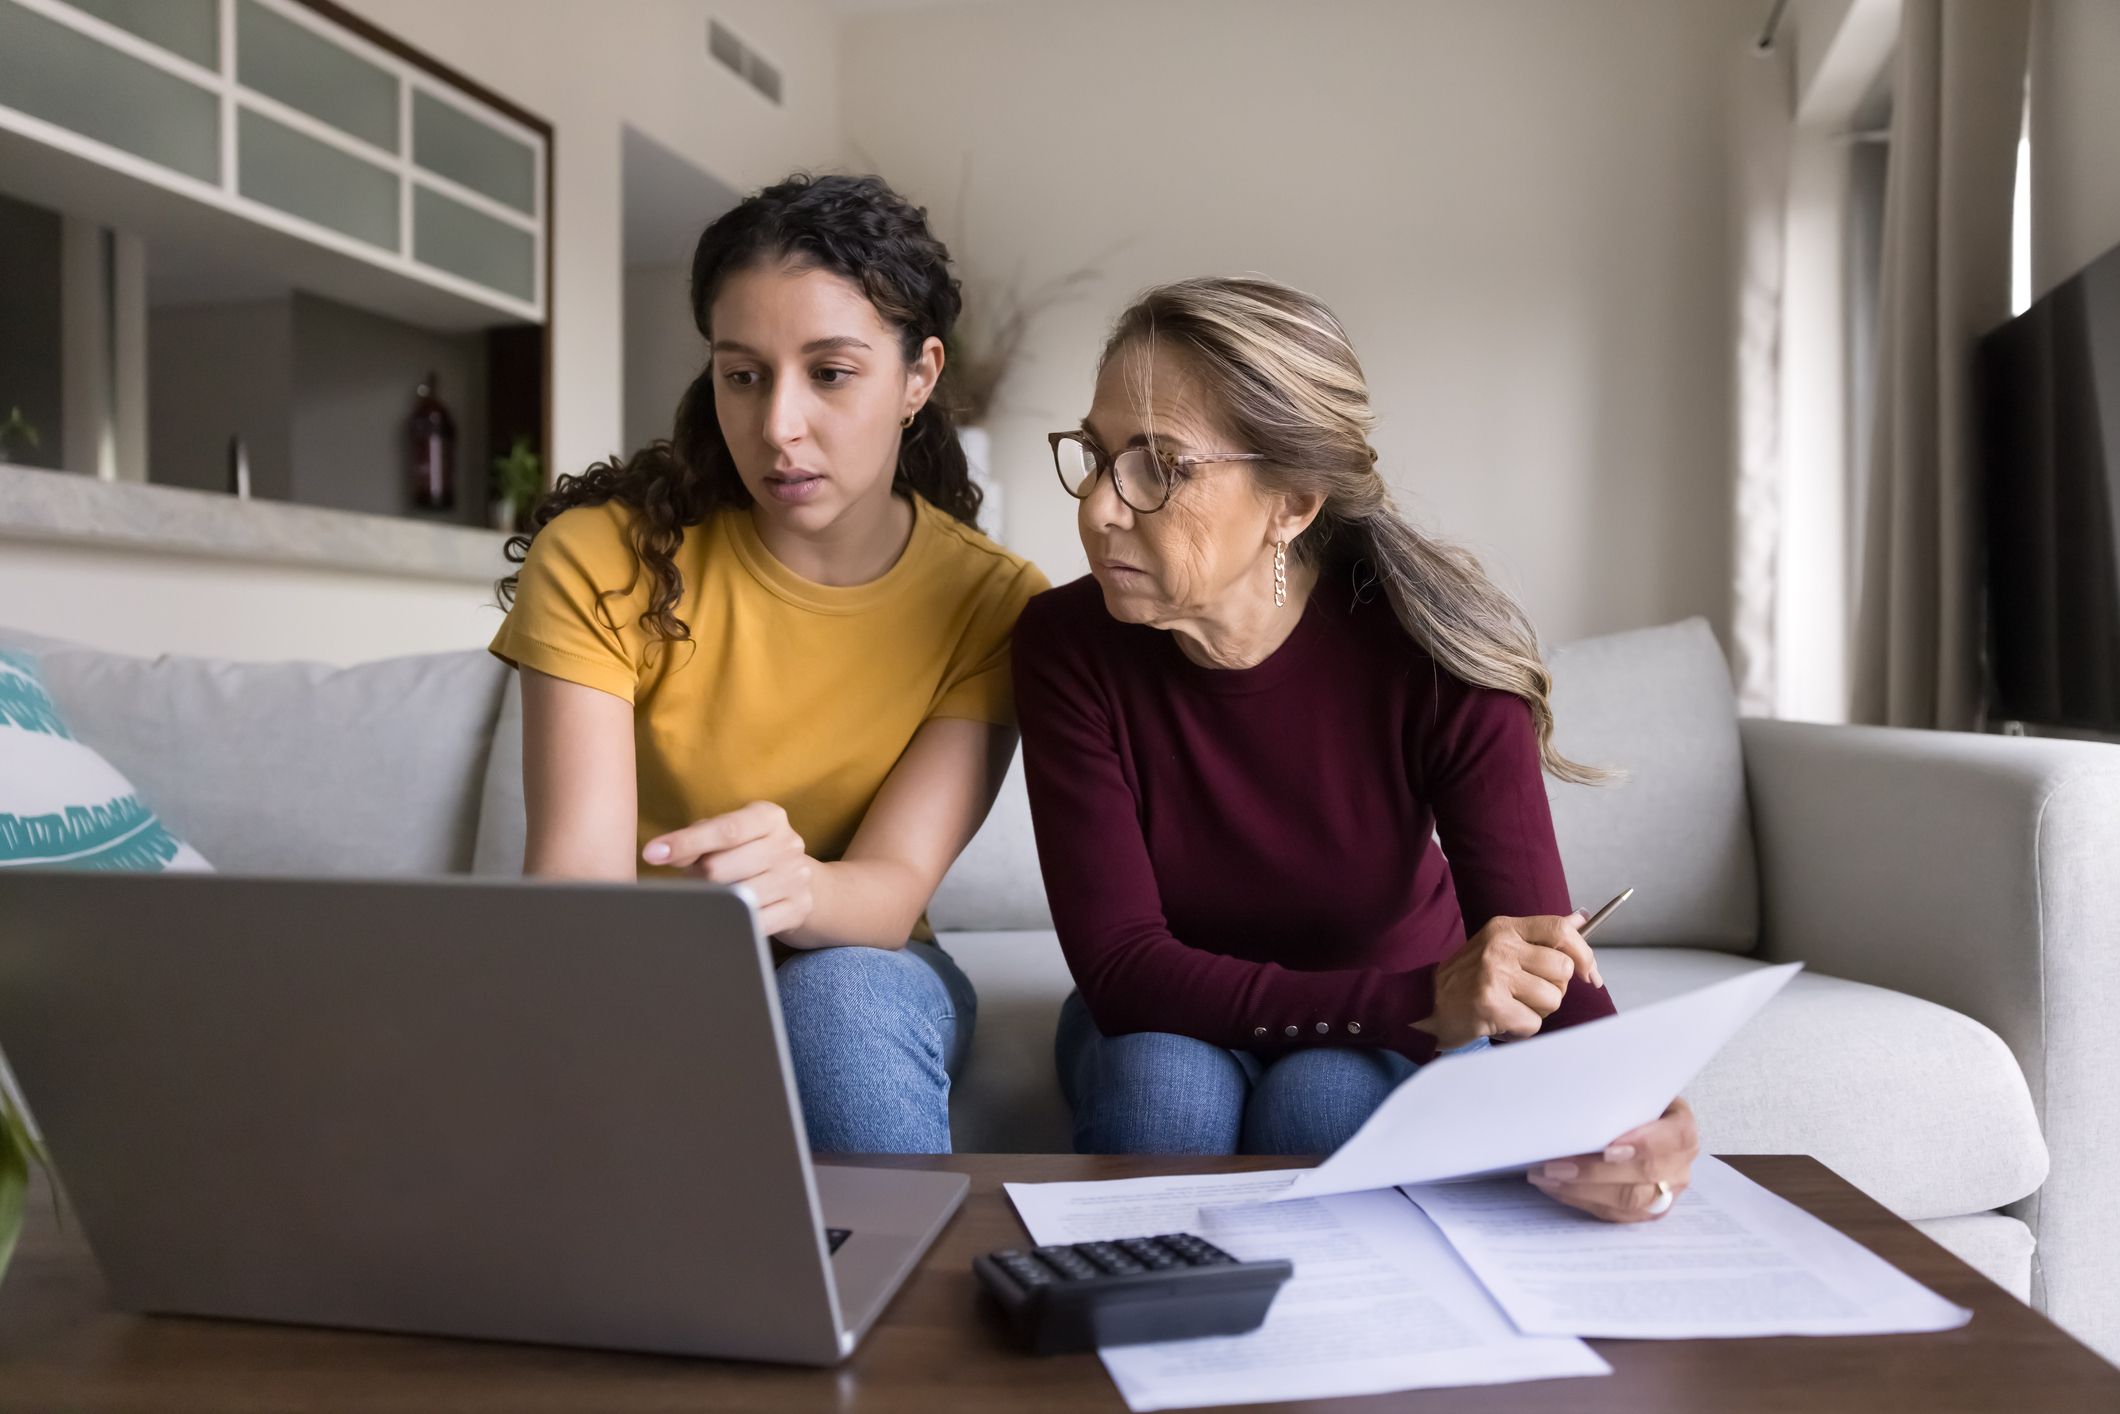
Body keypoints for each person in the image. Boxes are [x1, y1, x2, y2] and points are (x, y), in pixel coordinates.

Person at [1013, 275, 1696, 1221]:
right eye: (1095, 456)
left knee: (1322, 1099)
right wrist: (1420, 1000)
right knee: (1162, 1089)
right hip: (1181, 1009)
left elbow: (1535, 957)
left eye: (1158, 467)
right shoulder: (1064, 644)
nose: (1098, 508)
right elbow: (1124, 969)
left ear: (1292, 504)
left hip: (1389, 1023)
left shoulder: (1441, 658)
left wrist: (1634, 1121)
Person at [490, 174, 1046, 1154]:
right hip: (639, 967)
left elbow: (889, 889)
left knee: (835, 1002)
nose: (778, 425)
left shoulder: (992, 602)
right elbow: (577, 890)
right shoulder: (601, 556)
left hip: (861, 962)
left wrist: (793, 887)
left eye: (829, 373)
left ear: (918, 377)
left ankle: (905, 1261)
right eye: (743, 375)